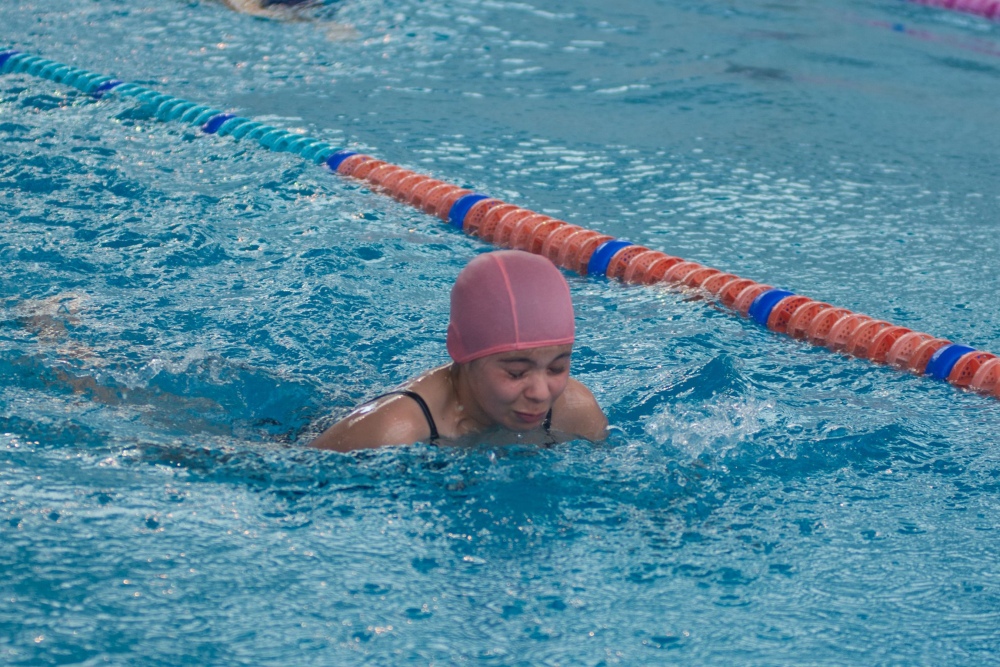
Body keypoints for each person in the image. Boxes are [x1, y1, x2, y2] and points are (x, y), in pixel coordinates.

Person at [310, 250, 608, 451]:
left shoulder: (575, 413)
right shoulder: (394, 431)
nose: (541, 393)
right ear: (461, 349)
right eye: (517, 372)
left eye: (557, 368)